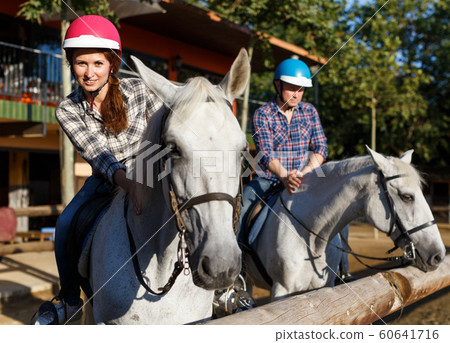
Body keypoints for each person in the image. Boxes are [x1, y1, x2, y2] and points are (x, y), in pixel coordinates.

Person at [33, 15, 162, 325]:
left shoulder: (140, 90)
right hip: (107, 180)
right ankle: (68, 300)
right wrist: (128, 185)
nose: (88, 73)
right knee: (65, 223)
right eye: (81, 64)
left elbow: (162, 134)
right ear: (71, 64)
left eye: (97, 64)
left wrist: (145, 178)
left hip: (150, 171)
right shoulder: (67, 109)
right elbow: (98, 155)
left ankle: (221, 284)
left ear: (112, 64)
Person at [238, 58, 327, 244]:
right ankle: (238, 261)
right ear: (278, 85)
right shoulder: (262, 114)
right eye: (291, 88)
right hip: (268, 181)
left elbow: (320, 148)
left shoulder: (310, 112)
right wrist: (285, 176)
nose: (296, 94)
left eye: (301, 89)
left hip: (305, 179)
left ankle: (341, 268)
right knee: (242, 209)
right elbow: (265, 153)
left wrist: (302, 174)